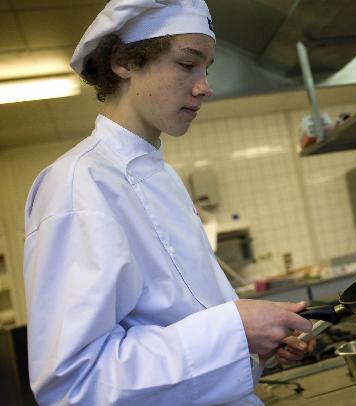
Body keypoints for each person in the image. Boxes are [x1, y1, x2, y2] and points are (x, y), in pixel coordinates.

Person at [23, 1, 316, 404]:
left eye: (207, 68)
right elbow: (76, 384)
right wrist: (233, 332)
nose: (205, 86)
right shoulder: (78, 186)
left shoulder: (161, 177)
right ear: (125, 61)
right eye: (186, 64)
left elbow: (180, 321)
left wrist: (252, 343)